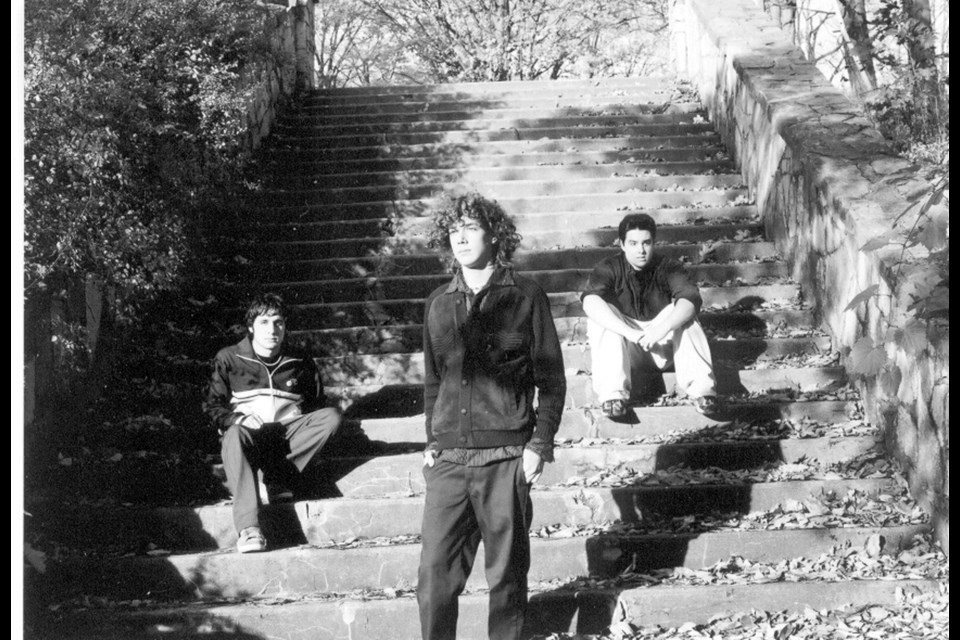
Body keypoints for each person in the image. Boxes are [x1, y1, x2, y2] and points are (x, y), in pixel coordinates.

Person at [417, 193, 567, 640]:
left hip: (506, 460)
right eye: (453, 230)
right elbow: (432, 382)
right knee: (433, 582)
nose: (460, 237)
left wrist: (539, 446)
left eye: (470, 227)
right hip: (448, 464)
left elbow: (553, 382)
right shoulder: (438, 304)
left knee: (505, 580)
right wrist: (431, 441)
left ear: (494, 234)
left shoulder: (525, 296)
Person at [203, 292, 341, 553]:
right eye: (264, 322)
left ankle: (276, 477)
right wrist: (238, 418)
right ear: (251, 327)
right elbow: (211, 406)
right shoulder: (229, 359)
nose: (272, 330)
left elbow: (316, 406)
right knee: (232, 434)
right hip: (249, 437)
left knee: (331, 418)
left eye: (278, 322)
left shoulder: (300, 361)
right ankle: (249, 529)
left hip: (287, 439)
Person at [581, 213, 718, 418]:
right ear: (622, 244)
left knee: (682, 312)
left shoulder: (669, 267)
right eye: (634, 243)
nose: (641, 250)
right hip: (628, 349)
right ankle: (613, 396)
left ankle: (703, 392)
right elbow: (590, 302)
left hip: (664, 347)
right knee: (602, 314)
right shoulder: (608, 267)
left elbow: (691, 300)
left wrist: (661, 329)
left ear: (654, 243)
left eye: (646, 243)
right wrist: (630, 332)